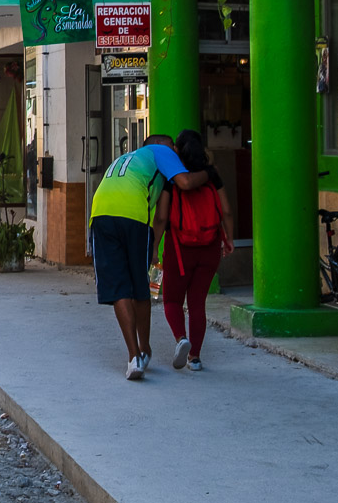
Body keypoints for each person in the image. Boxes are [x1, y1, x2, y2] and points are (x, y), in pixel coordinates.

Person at [89, 134, 210, 381]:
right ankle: (144, 349)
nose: (176, 154)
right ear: (167, 147)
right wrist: (209, 172)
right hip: (133, 216)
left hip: (99, 214)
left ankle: (134, 357)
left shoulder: (127, 158)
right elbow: (185, 183)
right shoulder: (162, 152)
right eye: (174, 149)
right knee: (140, 287)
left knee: (118, 288)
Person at [155, 130, 234, 371]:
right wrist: (228, 238)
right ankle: (196, 357)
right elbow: (227, 211)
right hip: (209, 246)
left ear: (177, 151)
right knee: (198, 303)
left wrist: (154, 246)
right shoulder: (212, 175)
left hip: (179, 247)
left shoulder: (173, 178)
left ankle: (181, 339)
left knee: (172, 299)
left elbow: (161, 217)